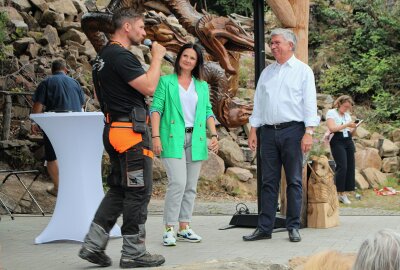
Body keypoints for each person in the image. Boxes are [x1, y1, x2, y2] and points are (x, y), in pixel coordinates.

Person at [78, 8, 167, 268]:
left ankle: (92, 245)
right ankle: (133, 253)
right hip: (131, 136)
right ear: (126, 27)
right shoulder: (121, 56)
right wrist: (158, 59)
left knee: (119, 190)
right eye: (140, 27)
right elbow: (149, 86)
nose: (144, 32)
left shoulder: (102, 58)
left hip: (113, 131)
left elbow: (98, 97)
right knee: (138, 193)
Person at [243, 28, 319, 243]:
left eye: (277, 42)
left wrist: (309, 132)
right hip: (267, 132)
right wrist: (253, 129)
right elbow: (259, 103)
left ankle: (293, 227)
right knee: (268, 181)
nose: (273, 46)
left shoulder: (304, 71)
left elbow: (309, 104)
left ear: (290, 45)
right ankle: (264, 228)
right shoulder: (267, 72)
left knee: (294, 180)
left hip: (294, 132)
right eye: (271, 42)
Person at [150, 43, 218, 246]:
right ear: (179, 57)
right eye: (185, 56)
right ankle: (169, 228)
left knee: (190, 186)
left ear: (197, 63)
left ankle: (184, 227)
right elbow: (155, 110)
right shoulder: (166, 82)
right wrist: (155, 137)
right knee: (177, 183)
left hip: (196, 139)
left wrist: (213, 134)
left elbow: (207, 111)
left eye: (192, 58)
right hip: (171, 137)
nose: (188, 60)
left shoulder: (202, 86)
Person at [31, 59, 85, 197]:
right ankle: (73, 186)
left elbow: (38, 105)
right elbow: (81, 106)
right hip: (74, 124)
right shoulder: (75, 83)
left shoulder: (47, 82)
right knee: (71, 156)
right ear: (65, 70)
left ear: (52, 70)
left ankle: (58, 188)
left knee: (52, 157)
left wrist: (34, 123)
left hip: (54, 125)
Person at [326, 95, 357, 205]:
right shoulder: (331, 113)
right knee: (342, 166)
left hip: (348, 139)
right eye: (344, 106)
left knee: (350, 166)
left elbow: (351, 132)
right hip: (337, 140)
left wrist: (354, 127)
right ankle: (337, 192)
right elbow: (332, 128)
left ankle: (344, 193)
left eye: (348, 107)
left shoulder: (347, 115)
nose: (346, 109)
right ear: (339, 104)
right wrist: (347, 124)